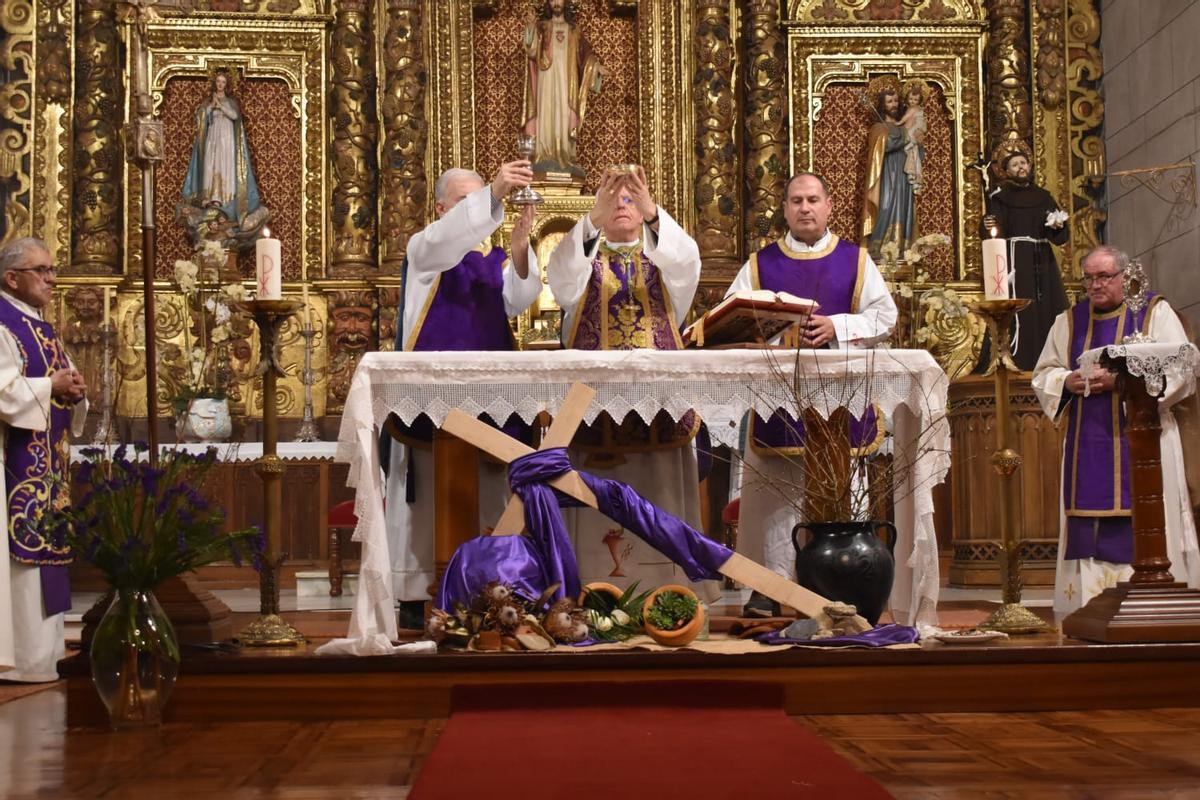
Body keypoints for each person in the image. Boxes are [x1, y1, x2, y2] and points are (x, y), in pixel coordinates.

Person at [727, 173, 897, 616]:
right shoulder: (760, 264)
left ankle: (841, 591)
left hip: (839, 401)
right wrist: (771, 331)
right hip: (779, 404)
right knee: (774, 503)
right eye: (796, 201)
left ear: (828, 205)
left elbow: (885, 316)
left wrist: (837, 326)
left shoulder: (856, 260)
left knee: (841, 498)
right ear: (784, 208)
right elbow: (732, 317)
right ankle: (773, 589)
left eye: (813, 199)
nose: (805, 208)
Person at [546, 165, 717, 599]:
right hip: (594, 413)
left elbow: (687, 262)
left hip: (657, 407)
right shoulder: (585, 264)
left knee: (657, 496)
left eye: (630, 201)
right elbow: (561, 278)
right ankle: (591, 589)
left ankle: (670, 589)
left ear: (644, 213)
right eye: (614, 202)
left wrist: (654, 212)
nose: (622, 208)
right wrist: (590, 221)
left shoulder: (666, 265)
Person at [384, 161, 542, 627]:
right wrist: (493, 194)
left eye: (485, 199)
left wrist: (517, 251)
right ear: (440, 209)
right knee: (431, 499)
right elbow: (448, 237)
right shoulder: (425, 250)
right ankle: (418, 594)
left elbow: (519, 297)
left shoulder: (489, 261)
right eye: (466, 201)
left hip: (491, 396)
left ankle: (489, 590)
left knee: (492, 489)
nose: (481, 209)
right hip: (433, 403)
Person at [1032, 245, 1200, 613]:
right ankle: (1087, 607)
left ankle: (1158, 603)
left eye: (1104, 276)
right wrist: (1067, 381)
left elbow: (1182, 368)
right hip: (1086, 442)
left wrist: (1124, 382)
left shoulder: (1155, 313)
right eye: (1088, 278)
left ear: (1125, 277)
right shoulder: (1069, 321)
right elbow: (1044, 372)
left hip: (1146, 439)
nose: (1095, 285)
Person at [0, 238, 87, 682]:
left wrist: (72, 389)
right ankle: (21, 661)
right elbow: (3, 390)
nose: (52, 279)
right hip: (15, 464)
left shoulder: (42, 326)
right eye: (42, 270)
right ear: (12, 278)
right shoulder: (3, 323)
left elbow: (55, 381)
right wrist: (49, 386)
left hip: (49, 462)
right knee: (22, 552)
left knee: (48, 545)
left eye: (53, 270)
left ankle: (45, 657)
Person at [983, 145, 1070, 371]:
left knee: (1046, 307)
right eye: (1015, 164)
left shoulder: (1044, 197)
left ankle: (1051, 359)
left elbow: (1058, 236)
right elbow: (993, 230)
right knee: (1021, 309)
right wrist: (988, 224)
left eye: (1023, 163)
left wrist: (1058, 225)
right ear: (1006, 171)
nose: (1021, 167)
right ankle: (1017, 358)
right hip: (1015, 260)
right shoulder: (1000, 197)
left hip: (1042, 260)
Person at [179, 69, 269, 248]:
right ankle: (211, 198)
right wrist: (210, 107)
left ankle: (227, 199)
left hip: (227, 142)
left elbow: (235, 117)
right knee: (211, 168)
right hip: (212, 141)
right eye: (218, 82)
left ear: (226, 85)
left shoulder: (230, 102)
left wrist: (220, 106)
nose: (220, 85)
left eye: (223, 82)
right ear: (214, 83)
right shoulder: (207, 102)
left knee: (226, 168)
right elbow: (199, 119)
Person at [522, 0, 605, 176]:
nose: (556, 3)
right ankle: (543, 156)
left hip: (567, 82)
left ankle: (564, 156)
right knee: (546, 114)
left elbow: (587, 56)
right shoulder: (542, 27)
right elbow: (531, 51)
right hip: (546, 79)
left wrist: (596, 67)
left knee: (564, 115)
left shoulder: (574, 30)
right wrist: (530, 29)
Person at [861, 84, 918, 261]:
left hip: (903, 176)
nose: (894, 104)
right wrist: (906, 135)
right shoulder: (878, 127)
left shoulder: (905, 126)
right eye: (889, 101)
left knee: (904, 211)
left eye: (895, 101)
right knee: (885, 207)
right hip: (886, 178)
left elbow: (917, 151)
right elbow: (887, 145)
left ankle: (904, 250)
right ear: (881, 104)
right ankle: (880, 249)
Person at [899, 79, 928, 195]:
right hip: (909, 134)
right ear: (906, 98)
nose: (913, 101)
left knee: (913, 153)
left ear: (920, 101)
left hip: (912, 134)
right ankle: (914, 177)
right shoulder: (909, 110)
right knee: (912, 156)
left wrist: (898, 124)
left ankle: (914, 177)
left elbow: (905, 120)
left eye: (915, 99)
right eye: (911, 99)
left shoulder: (914, 110)